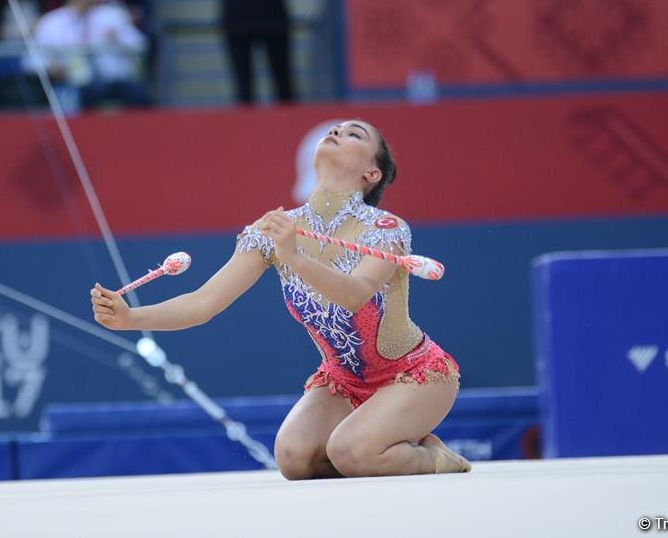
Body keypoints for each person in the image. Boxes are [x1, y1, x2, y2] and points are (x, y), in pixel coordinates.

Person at [90, 120, 472, 479]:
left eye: (355, 134)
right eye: (338, 128)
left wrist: (295, 258)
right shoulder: (274, 230)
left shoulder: (385, 228)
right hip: (342, 381)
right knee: (293, 459)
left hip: (412, 376)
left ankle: (432, 455)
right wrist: (129, 318)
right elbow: (202, 304)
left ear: (371, 174)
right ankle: (378, 443)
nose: (339, 130)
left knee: (350, 451)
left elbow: (355, 295)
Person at [32, 0, 150, 109]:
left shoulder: (112, 16)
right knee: (72, 97)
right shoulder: (51, 23)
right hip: (71, 84)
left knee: (140, 97)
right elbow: (31, 61)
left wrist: (118, 38)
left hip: (113, 83)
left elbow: (140, 45)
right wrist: (50, 68)